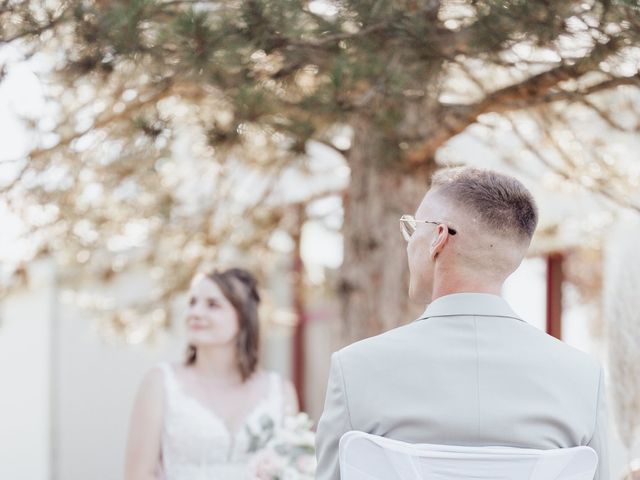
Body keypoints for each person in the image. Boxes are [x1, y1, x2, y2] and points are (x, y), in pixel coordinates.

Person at [315, 167, 609, 480]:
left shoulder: (356, 369)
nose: (409, 242)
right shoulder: (584, 378)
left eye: (414, 228)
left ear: (438, 238)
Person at [125, 268, 299, 480]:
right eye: (192, 302)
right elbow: (139, 474)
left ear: (244, 317)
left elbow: (294, 469)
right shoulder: (160, 383)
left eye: (212, 305)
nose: (195, 313)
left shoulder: (279, 391)